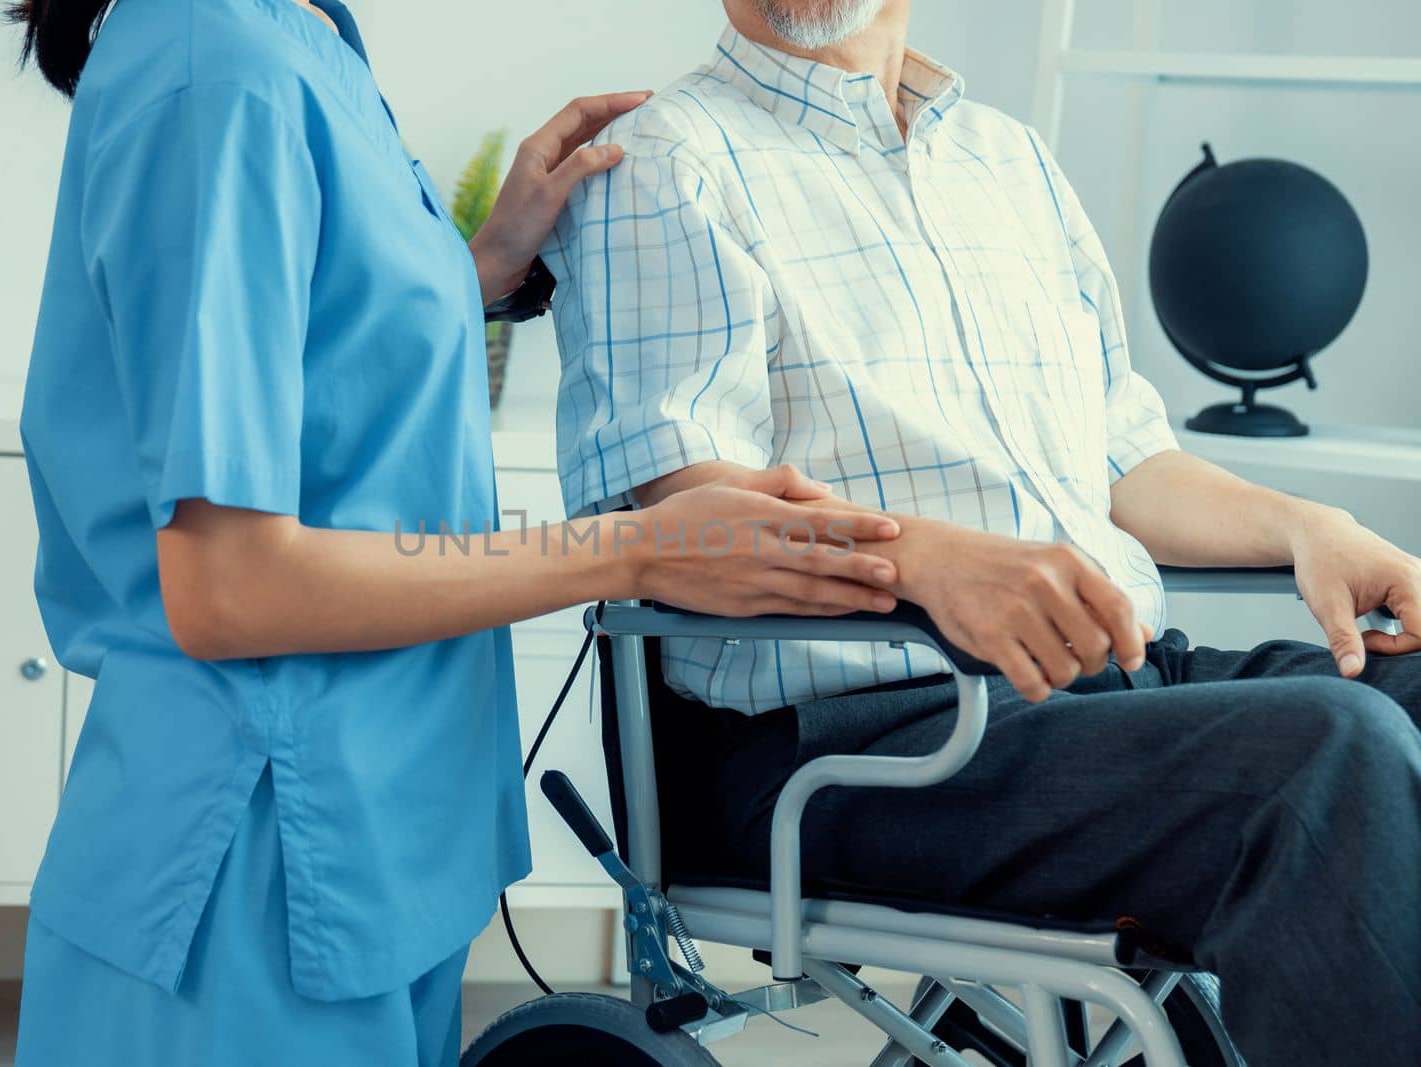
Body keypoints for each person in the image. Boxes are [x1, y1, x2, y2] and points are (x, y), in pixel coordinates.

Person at [2, 0, 906, 1064]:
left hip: (378, 831)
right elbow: (232, 587)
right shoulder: (222, 68)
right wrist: (635, 548)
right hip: (258, 854)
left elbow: (314, 354)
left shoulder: (302, 29)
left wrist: (467, 269)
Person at [545, 0, 1421, 1061]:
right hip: (856, 744)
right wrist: (920, 561)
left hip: (1101, 691)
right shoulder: (662, 158)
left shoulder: (1012, 161)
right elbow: (685, 506)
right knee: (1329, 752)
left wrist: (1307, 525)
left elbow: (1122, 461)